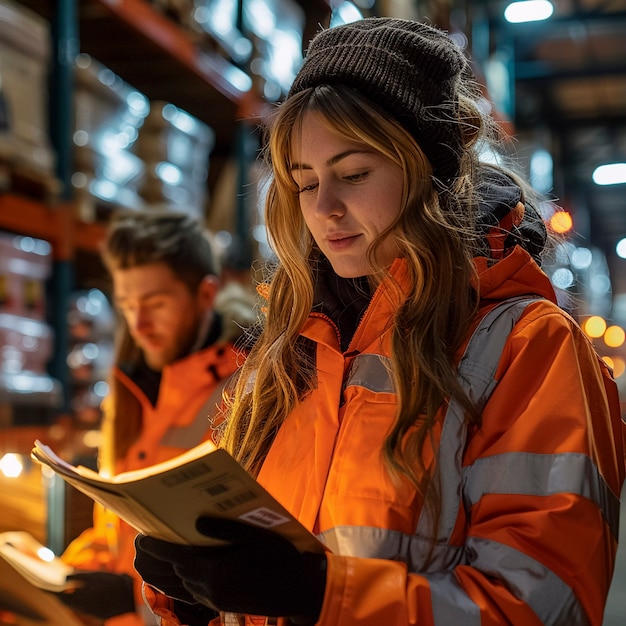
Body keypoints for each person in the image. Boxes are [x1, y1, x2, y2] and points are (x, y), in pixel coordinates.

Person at [133, 17, 626, 626]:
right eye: (304, 181)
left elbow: (542, 607)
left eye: (354, 173)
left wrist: (318, 593)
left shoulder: (529, 346)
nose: (324, 208)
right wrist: (196, 593)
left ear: (429, 171)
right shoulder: (292, 349)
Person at [57, 210, 254, 626]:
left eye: (155, 303)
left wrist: (130, 598)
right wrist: (68, 572)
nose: (139, 324)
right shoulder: (132, 387)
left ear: (205, 294)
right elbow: (119, 526)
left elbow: (245, 568)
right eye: (127, 305)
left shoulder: (247, 391)